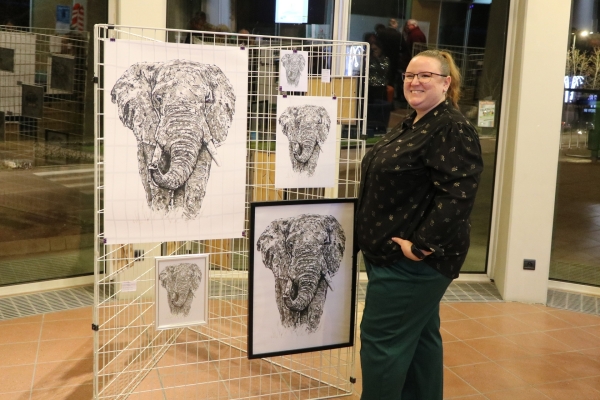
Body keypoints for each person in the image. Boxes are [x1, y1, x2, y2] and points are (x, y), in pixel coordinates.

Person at [356, 49, 484, 399]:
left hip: (411, 264)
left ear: (446, 82)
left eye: (425, 75)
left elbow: (458, 194)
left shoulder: (451, 128)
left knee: (382, 343)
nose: (414, 81)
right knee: (421, 341)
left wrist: (421, 246)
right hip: (396, 260)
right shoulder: (416, 122)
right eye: (410, 75)